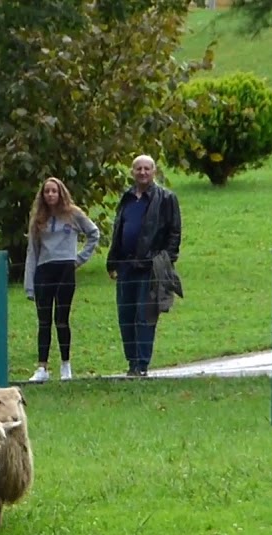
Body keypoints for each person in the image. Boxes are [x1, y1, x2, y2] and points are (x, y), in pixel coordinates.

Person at [105, 154, 182, 377]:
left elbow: (174, 232)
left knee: (144, 315)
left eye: (147, 169)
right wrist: (112, 261)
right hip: (126, 265)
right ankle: (131, 363)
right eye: (138, 169)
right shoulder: (127, 198)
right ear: (132, 172)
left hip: (150, 266)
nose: (142, 172)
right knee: (125, 315)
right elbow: (118, 230)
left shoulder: (166, 198)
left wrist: (166, 259)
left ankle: (142, 364)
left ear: (154, 172)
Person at [24, 177, 101, 383]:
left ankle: (66, 364)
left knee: (62, 318)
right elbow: (32, 251)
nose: (50, 195)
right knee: (44, 321)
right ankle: (42, 367)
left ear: (61, 193)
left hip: (65, 269)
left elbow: (94, 233)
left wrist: (80, 258)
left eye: (54, 191)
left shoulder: (73, 214)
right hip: (44, 270)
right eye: (47, 191)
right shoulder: (38, 219)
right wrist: (29, 285)